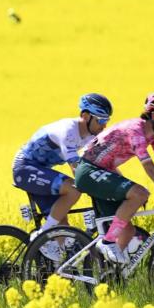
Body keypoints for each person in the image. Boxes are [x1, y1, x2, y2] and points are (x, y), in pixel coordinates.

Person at [74, 93, 154, 263]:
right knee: (139, 193)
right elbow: (149, 166)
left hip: (104, 171)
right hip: (87, 171)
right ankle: (107, 242)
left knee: (127, 231)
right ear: (153, 115)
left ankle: (111, 273)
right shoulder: (136, 131)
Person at [13, 93, 112, 260]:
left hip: (42, 171)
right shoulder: (68, 131)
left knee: (62, 233)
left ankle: (50, 273)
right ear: (85, 116)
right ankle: (42, 236)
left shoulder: (90, 136)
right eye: (100, 121)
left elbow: (102, 163)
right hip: (25, 168)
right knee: (73, 189)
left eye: (106, 121)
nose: (103, 126)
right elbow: (77, 169)